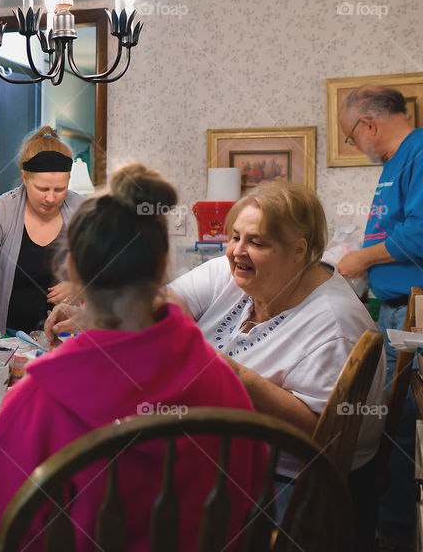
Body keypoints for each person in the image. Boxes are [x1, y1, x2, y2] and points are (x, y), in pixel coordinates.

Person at [0, 164, 267, 552]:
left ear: (73, 270)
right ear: (161, 268)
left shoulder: (39, 400)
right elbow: (250, 496)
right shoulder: (220, 382)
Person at [163, 181, 384, 539]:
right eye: (234, 236)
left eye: (257, 242)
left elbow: (321, 435)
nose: (237, 251)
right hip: (226, 457)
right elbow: (169, 300)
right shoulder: (234, 272)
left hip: (289, 484)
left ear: (299, 250)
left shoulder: (334, 323)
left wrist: (232, 373)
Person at [335, 85, 423, 547]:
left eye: (352, 137)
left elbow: (421, 235)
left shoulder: (420, 153)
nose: (356, 144)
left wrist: (364, 260)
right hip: (392, 307)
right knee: (391, 416)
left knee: (401, 420)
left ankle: (396, 531)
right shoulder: (397, 162)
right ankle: (389, 521)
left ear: (369, 124)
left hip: (412, 311)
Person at [0, 127, 84, 334]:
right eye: (42, 189)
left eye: (59, 189)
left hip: (64, 339)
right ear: (24, 177)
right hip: (4, 338)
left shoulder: (83, 211)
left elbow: (112, 267)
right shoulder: (0, 211)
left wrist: (81, 284)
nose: (51, 198)